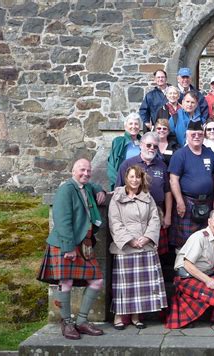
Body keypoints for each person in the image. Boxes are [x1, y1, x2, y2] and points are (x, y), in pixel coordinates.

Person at [37, 159, 106, 340]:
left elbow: (93, 185)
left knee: (97, 280)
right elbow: (62, 220)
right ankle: (67, 323)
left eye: (88, 170)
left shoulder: (86, 187)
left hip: (84, 244)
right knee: (66, 283)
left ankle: (82, 321)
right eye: (82, 170)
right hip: (65, 244)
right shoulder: (66, 189)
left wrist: (101, 190)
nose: (86, 173)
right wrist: (68, 247)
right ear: (73, 171)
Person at [108, 165, 167, 330]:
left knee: (141, 287)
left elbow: (155, 219)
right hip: (125, 248)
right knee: (124, 285)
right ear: (126, 178)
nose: (135, 180)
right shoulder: (117, 197)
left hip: (145, 246)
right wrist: (130, 240)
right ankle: (119, 316)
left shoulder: (148, 197)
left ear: (142, 179)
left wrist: (147, 237)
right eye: (132, 177)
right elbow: (115, 221)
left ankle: (136, 316)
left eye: (138, 177)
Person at [165, 209, 214, 329]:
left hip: (204, 274)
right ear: (209, 222)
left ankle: (191, 297)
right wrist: (208, 281)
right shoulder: (199, 237)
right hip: (187, 276)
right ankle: (183, 301)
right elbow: (187, 265)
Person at [116, 132, 172, 256]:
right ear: (141, 145)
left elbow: (167, 191)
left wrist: (168, 215)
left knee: (157, 252)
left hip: (157, 214)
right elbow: (118, 192)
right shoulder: (127, 164)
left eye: (155, 146)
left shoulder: (162, 165)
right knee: (136, 248)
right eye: (148, 145)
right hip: (133, 215)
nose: (152, 148)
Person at [168, 120, 214, 249]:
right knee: (185, 242)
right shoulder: (180, 155)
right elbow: (173, 179)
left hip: (207, 202)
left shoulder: (210, 154)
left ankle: (203, 268)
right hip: (187, 202)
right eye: (193, 134)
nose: (197, 137)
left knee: (206, 240)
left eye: (200, 134)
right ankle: (183, 268)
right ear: (187, 135)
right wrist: (179, 201)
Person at [107, 113, 142, 191]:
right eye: (130, 124)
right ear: (125, 127)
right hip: (123, 185)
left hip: (140, 185)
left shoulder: (143, 142)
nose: (133, 126)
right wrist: (120, 184)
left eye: (136, 124)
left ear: (139, 127)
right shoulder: (118, 142)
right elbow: (111, 167)